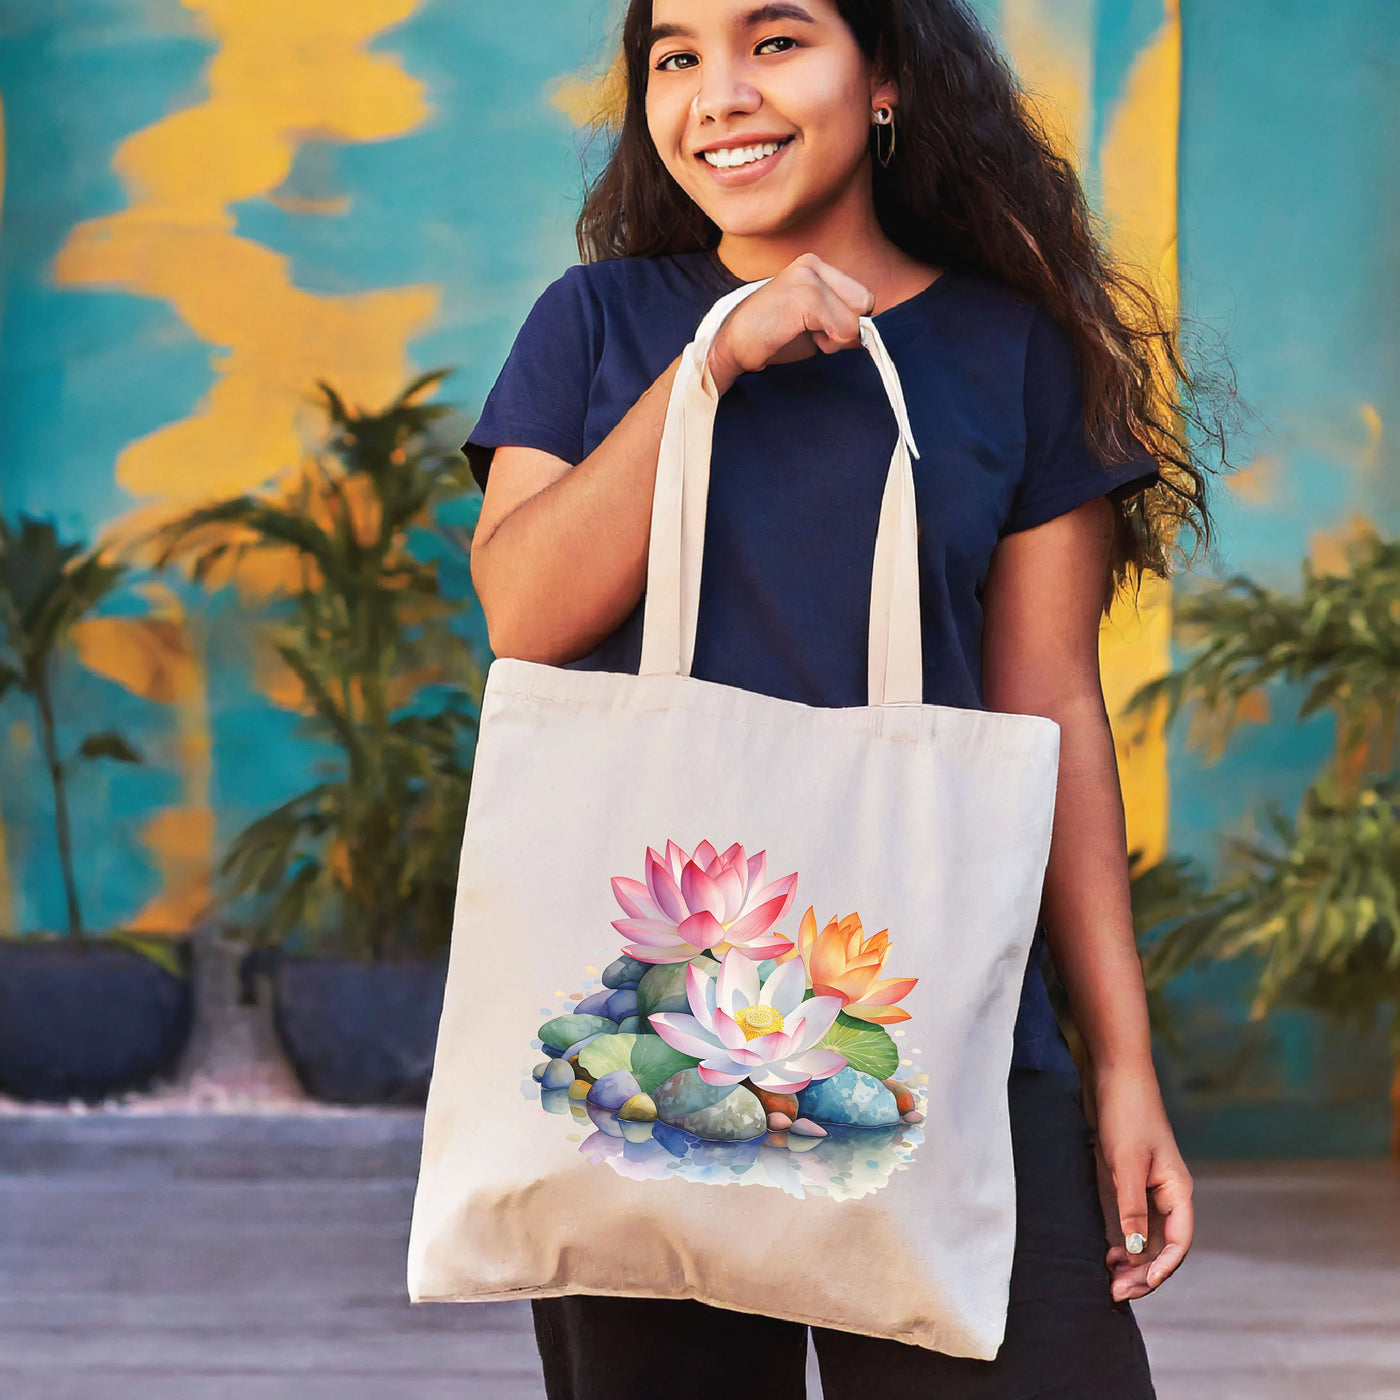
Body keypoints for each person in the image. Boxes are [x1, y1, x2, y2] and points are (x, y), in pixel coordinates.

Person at [462, 1, 1223, 1395]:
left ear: (885, 80)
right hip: (648, 1047)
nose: (718, 93)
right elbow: (524, 609)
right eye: (676, 55)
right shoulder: (598, 323)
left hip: (947, 1031)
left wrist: (1124, 1069)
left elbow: (1049, 715)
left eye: (775, 40)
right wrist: (716, 358)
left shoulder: (1011, 353)